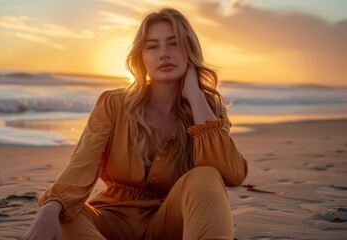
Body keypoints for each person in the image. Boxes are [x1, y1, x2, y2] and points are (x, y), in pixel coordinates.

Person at [22, 7, 248, 240]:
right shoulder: (113, 104)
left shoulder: (208, 112)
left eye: (174, 43)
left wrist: (195, 94)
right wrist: (51, 206)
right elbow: (83, 161)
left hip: (169, 225)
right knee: (64, 217)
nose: (164, 54)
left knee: (206, 176)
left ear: (189, 51)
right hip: (111, 221)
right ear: (142, 57)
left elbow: (231, 174)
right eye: (152, 46)